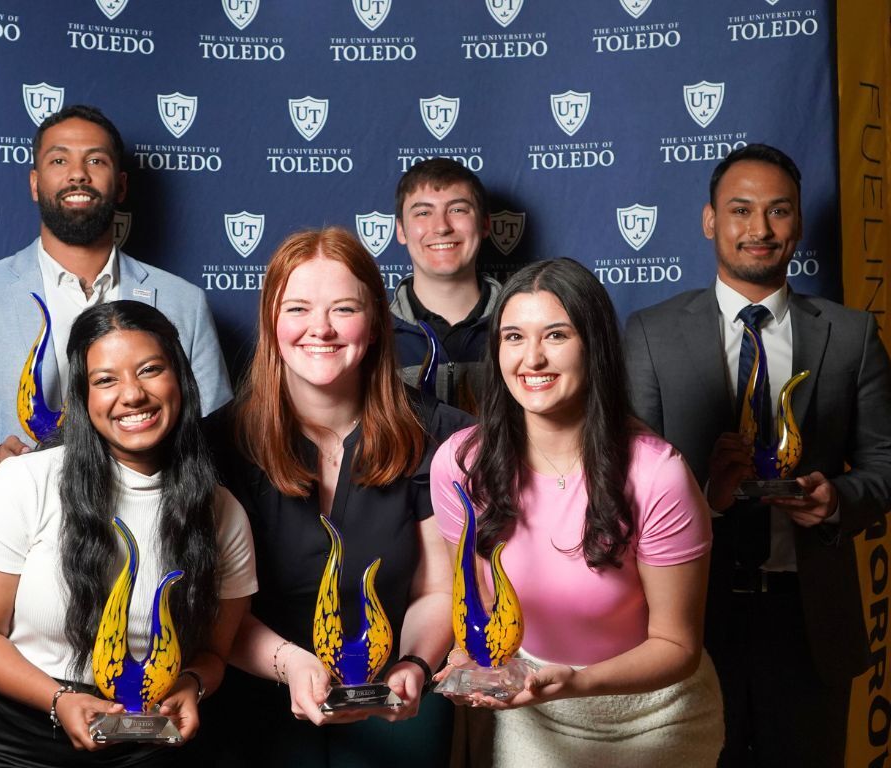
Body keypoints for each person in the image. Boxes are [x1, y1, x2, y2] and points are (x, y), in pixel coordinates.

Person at [624, 143, 891, 767]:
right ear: (709, 220)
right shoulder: (651, 333)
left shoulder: (850, 336)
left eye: (779, 210)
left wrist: (836, 500)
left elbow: (884, 465)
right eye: (741, 210)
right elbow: (626, 484)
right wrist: (706, 502)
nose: (760, 229)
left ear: (798, 223)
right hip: (689, 617)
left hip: (807, 621)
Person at [0, 301, 256, 767]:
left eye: (150, 370)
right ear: (83, 398)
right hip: (9, 741)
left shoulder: (222, 512)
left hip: (143, 744)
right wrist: (60, 700)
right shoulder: (25, 482)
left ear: (181, 380)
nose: (132, 394)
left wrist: (192, 684)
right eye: (106, 380)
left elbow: (213, 653)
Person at [431, 259, 723, 768]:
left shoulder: (658, 474)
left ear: (595, 346)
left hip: (656, 719)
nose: (533, 358)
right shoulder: (461, 465)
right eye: (514, 337)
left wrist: (577, 683)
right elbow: (476, 606)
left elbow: (677, 645)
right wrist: (466, 659)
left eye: (557, 335)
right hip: (536, 717)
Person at [203, 227, 471, 767]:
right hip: (258, 695)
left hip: (395, 700)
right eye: (298, 308)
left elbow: (437, 587)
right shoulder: (215, 445)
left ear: (374, 324)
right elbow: (214, 607)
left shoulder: (440, 436)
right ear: (271, 322)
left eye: (344, 309)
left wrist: (415, 664)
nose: (320, 328)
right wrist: (290, 664)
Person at [0, 104, 230, 501]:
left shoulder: (183, 302)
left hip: (150, 521)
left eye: (96, 160)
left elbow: (215, 432)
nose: (78, 173)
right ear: (34, 183)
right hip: (22, 523)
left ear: (121, 185)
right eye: (59, 160)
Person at [391, 158, 500, 413]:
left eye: (457, 210)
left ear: (485, 224)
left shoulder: (522, 330)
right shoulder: (373, 337)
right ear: (401, 230)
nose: (441, 227)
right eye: (423, 213)